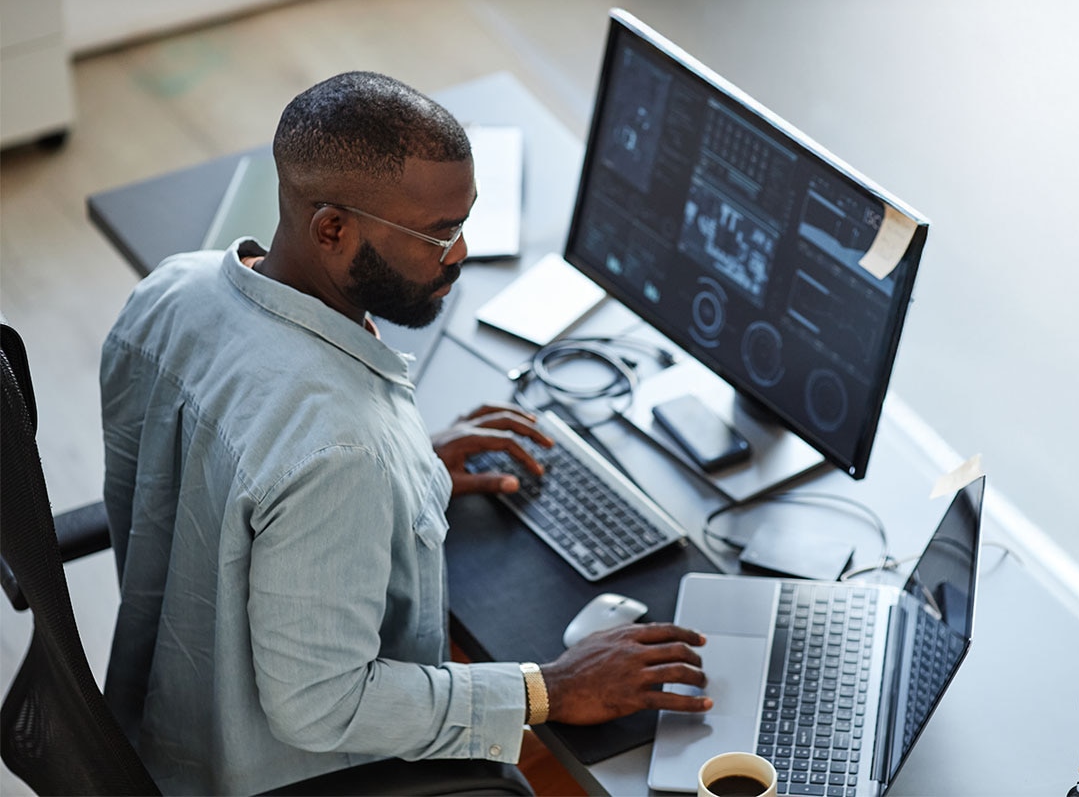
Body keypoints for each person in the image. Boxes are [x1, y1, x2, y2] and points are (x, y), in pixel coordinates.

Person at [100, 71, 712, 795]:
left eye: (464, 220)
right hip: (273, 772)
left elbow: (234, 479)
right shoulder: (342, 449)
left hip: (160, 717)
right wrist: (547, 687)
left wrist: (410, 473)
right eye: (438, 234)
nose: (459, 254)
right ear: (332, 228)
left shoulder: (171, 289)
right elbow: (321, 704)